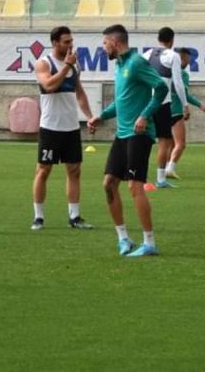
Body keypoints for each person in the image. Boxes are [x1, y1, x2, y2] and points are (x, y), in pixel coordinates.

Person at [87, 24, 168, 257]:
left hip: (139, 134)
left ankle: (149, 243)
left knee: (134, 185)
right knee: (108, 184)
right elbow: (122, 101)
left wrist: (145, 115)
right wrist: (101, 116)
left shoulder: (136, 63)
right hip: (122, 134)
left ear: (115, 42)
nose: (104, 48)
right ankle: (123, 238)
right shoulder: (120, 66)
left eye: (105, 43)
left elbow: (161, 88)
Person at [31, 26, 94, 230]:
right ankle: (38, 217)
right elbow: (49, 86)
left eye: (71, 41)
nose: (70, 45)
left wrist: (90, 116)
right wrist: (66, 66)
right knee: (43, 170)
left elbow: (80, 92)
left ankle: (74, 217)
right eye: (66, 42)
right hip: (50, 127)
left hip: (71, 127)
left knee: (74, 171)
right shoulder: (44, 63)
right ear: (55, 43)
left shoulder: (75, 66)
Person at [141, 27, 188, 188]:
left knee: (143, 140)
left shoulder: (146, 54)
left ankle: (137, 175)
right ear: (172, 40)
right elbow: (178, 83)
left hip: (146, 103)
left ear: (158, 38)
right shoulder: (173, 56)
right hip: (162, 103)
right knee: (164, 141)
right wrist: (185, 104)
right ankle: (160, 179)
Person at [167, 47, 205, 180]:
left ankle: (163, 170)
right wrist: (200, 105)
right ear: (182, 58)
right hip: (175, 111)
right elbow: (184, 94)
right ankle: (170, 168)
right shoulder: (182, 74)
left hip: (162, 110)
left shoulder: (165, 72)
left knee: (170, 143)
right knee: (181, 144)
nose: (188, 62)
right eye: (187, 59)